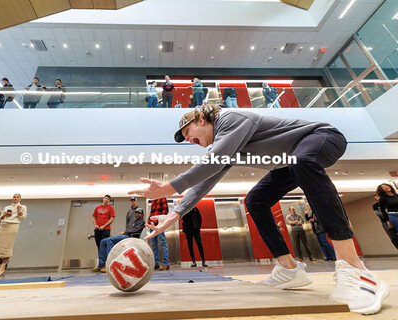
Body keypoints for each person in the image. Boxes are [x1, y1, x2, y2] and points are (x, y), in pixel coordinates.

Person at [129, 105, 390, 315]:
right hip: (290, 162)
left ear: (201, 119)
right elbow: (205, 182)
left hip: (322, 138)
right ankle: (289, 270)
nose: (188, 140)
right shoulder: (226, 144)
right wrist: (174, 215)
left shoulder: (230, 118)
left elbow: (213, 161)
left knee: (303, 161)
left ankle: (355, 268)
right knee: (255, 200)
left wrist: (170, 186)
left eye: (187, 132)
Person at [91, 208, 146, 272]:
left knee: (109, 241)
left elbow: (135, 230)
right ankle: (101, 264)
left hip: (130, 237)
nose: (137, 214)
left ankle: (110, 264)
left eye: (139, 213)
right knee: (103, 241)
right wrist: (124, 232)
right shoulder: (136, 221)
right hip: (127, 235)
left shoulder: (142, 222)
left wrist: (124, 232)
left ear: (142, 214)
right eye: (136, 213)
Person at [0, 193, 28, 277]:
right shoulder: (7, 207)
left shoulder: (23, 207)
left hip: (13, 226)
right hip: (2, 226)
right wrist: (5, 214)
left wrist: (19, 210)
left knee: (7, 247)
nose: (15, 198)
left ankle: (2, 267)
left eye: (17, 197)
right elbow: (0, 218)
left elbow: (22, 218)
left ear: (20, 199)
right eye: (14, 197)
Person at [149, 197, 170, 270]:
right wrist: (149, 223)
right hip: (153, 225)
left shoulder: (162, 198)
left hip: (160, 225)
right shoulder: (153, 201)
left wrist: (160, 220)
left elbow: (166, 211)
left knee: (163, 243)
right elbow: (151, 213)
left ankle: (166, 264)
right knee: (154, 244)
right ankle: (156, 263)